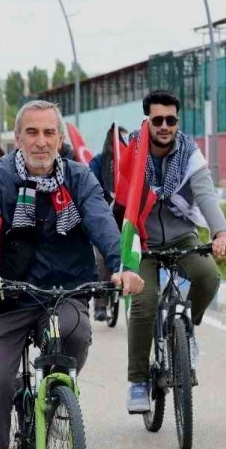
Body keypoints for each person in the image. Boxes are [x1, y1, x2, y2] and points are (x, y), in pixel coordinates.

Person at [0, 100, 144, 449]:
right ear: (18, 138)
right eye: (32, 132)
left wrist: (121, 266)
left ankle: (55, 401)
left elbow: (102, 222)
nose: (41, 142)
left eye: (49, 133)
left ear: (60, 139)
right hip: (3, 298)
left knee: (76, 335)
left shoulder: (80, 179)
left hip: (63, 293)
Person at [125, 90, 226, 413]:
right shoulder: (133, 150)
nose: (164, 126)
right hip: (142, 242)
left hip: (181, 236)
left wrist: (221, 231)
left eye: (171, 120)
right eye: (157, 120)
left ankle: (186, 328)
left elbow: (205, 194)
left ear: (177, 121)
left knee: (208, 276)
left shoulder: (189, 153)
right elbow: (118, 194)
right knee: (143, 305)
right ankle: (138, 382)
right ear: (147, 121)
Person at [87, 126, 129, 321]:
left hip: (126, 217)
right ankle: (101, 305)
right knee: (101, 260)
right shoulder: (97, 162)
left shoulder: (131, 160)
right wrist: (106, 198)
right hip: (103, 218)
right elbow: (90, 187)